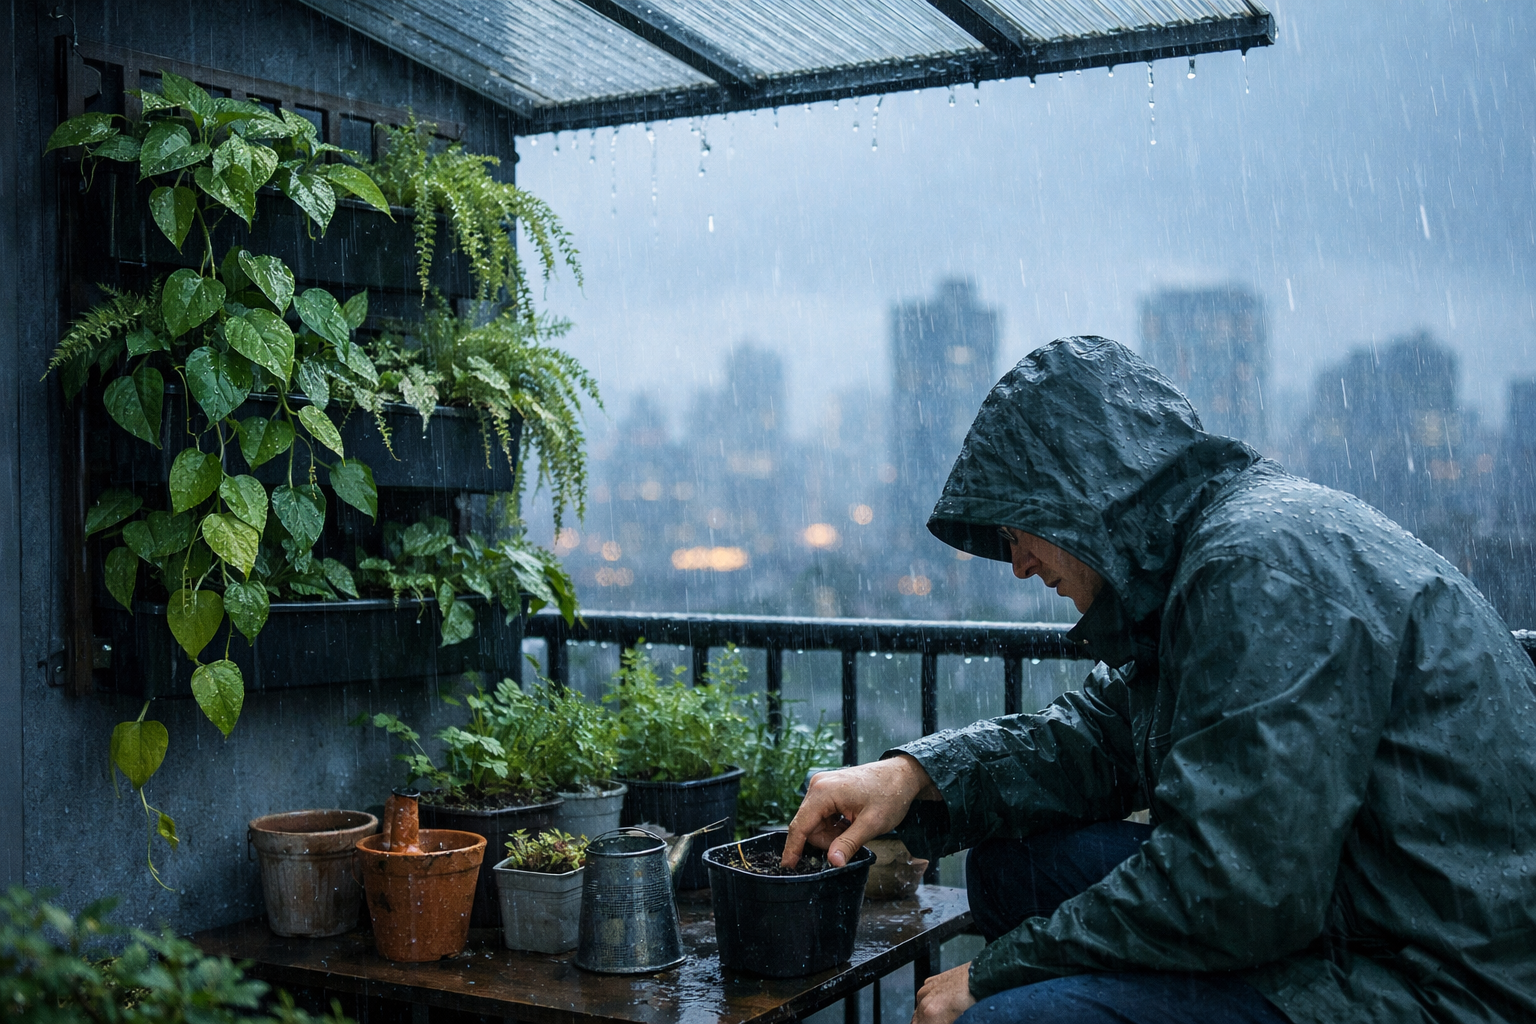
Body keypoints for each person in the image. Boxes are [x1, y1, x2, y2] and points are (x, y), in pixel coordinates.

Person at [781, 338, 1536, 1024]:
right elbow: (1099, 743)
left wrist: (995, 976)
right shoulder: (1214, 552)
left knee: (1001, 1021)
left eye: (1018, 533)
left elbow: (1237, 888)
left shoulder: (1256, 572)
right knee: (1013, 870)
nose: (1017, 565)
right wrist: (912, 775)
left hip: (1429, 976)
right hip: (1355, 899)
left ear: (1080, 496)